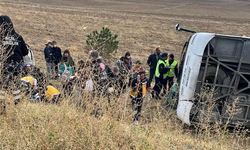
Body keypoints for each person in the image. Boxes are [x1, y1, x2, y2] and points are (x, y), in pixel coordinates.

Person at [0, 15, 28, 112]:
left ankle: (2, 107)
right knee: (16, 86)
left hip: (4, 64)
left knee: (2, 86)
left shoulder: (1, 36)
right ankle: (17, 107)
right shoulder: (18, 36)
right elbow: (25, 52)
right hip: (17, 65)